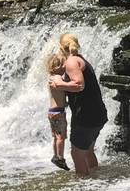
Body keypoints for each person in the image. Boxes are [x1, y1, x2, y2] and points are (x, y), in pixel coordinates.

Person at [47, 33, 108, 175]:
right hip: (97, 113)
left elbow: (79, 85)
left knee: (77, 154)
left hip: (85, 116)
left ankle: (83, 183)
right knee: (87, 151)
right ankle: (95, 179)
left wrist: (58, 84)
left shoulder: (71, 62)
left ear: (62, 48)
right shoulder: (80, 59)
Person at [45, 53, 70, 170]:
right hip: (59, 112)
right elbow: (64, 86)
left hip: (51, 111)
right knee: (61, 137)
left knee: (55, 136)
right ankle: (60, 158)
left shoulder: (51, 78)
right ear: (59, 66)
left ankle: (55, 156)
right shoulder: (58, 78)